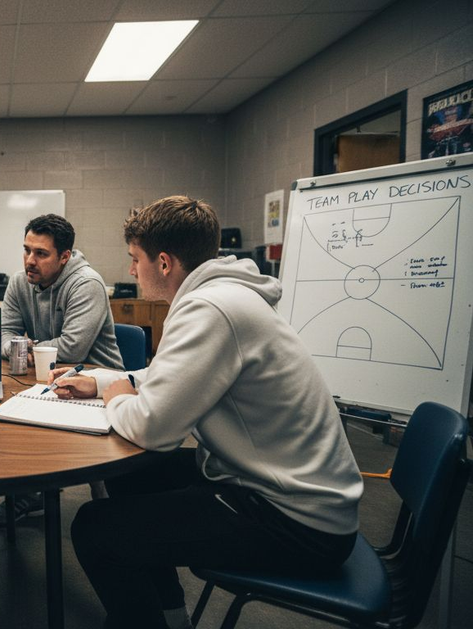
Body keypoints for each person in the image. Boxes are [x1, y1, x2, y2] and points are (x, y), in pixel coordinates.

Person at [52, 196, 363, 629]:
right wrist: (104, 381)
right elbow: (172, 374)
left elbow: (153, 429)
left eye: (135, 259)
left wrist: (117, 399)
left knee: (95, 530)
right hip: (280, 489)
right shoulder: (222, 296)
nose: (131, 270)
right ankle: (170, 616)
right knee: (131, 475)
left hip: (297, 523)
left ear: (164, 263)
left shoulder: (211, 309)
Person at [0, 213, 125, 526]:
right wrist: (19, 347)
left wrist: (27, 347)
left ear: (64, 256)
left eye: (41, 253)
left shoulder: (86, 284)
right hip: (43, 379)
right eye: (26, 250)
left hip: (97, 383)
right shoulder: (19, 282)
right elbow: (4, 335)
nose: (29, 261)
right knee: (1, 417)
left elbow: (73, 349)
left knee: (107, 506)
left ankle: (106, 501)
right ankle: (27, 492)